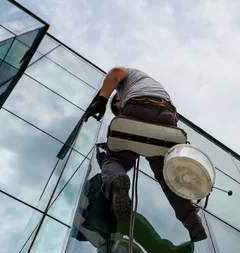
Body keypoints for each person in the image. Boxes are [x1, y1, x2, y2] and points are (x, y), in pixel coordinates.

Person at [84, 67, 207, 242]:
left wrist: (102, 99)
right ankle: (193, 223)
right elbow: (175, 116)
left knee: (114, 159)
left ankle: (115, 183)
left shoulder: (128, 80)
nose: (118, 111)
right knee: (167, 175)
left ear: (118, 97)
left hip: (138, 106)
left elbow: (116, 71)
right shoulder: (152, 84)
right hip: (167, 115)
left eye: (116, 107)